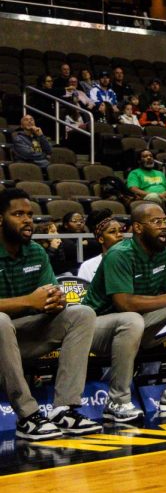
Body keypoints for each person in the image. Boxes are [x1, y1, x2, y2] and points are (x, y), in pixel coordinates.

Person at [85, 202, 166, 422]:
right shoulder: (119, 255)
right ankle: (117, 401)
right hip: (96, 328)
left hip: (138, 326)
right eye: (156, 222)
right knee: (131, 319)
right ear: (137, 228)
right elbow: (123, 304)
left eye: (164, 221)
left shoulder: (161, 253)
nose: (163, 226)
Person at [0, 188, 96, 439]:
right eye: (18, 214)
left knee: (82, 313)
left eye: (29, 214)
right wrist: (30, 302)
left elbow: (50, 296)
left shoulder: (35, 251)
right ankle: (27, 416)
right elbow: (33, 302)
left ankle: (64, 409)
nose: (27, 220)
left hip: (24, 336)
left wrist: (57, 301)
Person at [77, 212, 126, 283]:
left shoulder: (134, 261)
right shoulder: (87, 266)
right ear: (101, 239)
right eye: (112, 232)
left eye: (121, 231)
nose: (119, 235)